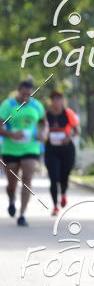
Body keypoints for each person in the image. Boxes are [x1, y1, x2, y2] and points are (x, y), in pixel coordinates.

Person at [0, 79, 47, 227]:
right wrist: (11, 135)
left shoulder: (36, 106)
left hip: (30, 148)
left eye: (29, 94)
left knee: (27, 179)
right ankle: (12, 199)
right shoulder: (8, 105)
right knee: (11, 183)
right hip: (10, 149)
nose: (26, 97)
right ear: (18, 92)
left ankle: (22, 214)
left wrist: (42, 134)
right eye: (24, 94)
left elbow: (43, 123)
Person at [44, 90, 80, 215]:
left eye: (58, 99)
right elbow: (41, 129)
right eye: (54, 99)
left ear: (62, 101)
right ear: (51, 101)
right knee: (54, 178)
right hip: (51, 150)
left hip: (66, 149)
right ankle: (55, 206)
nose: (56, 102)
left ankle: (63, 193)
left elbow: (77, 130)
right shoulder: (46, 115)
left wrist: (69, 138)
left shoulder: (68, 113)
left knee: (64, 176)